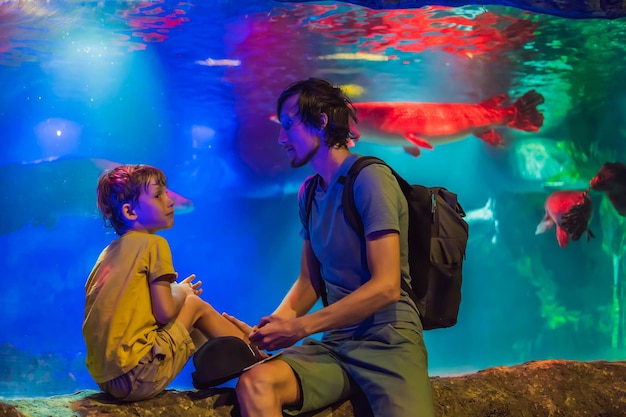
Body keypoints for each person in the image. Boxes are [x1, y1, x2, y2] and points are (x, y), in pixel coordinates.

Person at [224, 78, 435, 416]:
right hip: (336, 345)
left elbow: (386, 287)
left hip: (389, 340)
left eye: (289, 125)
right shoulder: (308, 193)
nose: (281, 138)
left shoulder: (370, 178)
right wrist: (270, 329)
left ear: (322, 121)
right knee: (255, 382)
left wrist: (301, 327)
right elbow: (309, 283)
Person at [82, 164, 259, 402]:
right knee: (195, 305)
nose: (170, 201)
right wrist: (182, 291)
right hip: (137, 374)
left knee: (189, 313)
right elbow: (164, 312)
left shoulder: (106, 255)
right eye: (158, 195)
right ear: (130, 211)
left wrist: (176, 292)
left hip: (106, 377)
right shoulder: (154, 245)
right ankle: (258, 360)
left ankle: (217, 368)